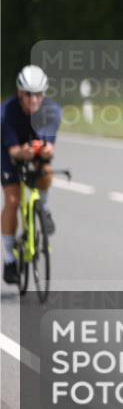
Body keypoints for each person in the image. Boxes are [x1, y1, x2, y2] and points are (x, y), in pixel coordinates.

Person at [2, 65, 61, 284]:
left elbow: (49, 148)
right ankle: (8, 258)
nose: (33, 99)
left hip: (34, 151)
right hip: (11, 153)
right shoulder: (6, 112)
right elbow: (14, 152)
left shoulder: (52, 111)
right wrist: (22, 153)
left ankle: (42, 208)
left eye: (38, 94)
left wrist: (44, 151)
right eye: (28, 94)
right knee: (12, 199)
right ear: (19, 93)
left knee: (46, 169)